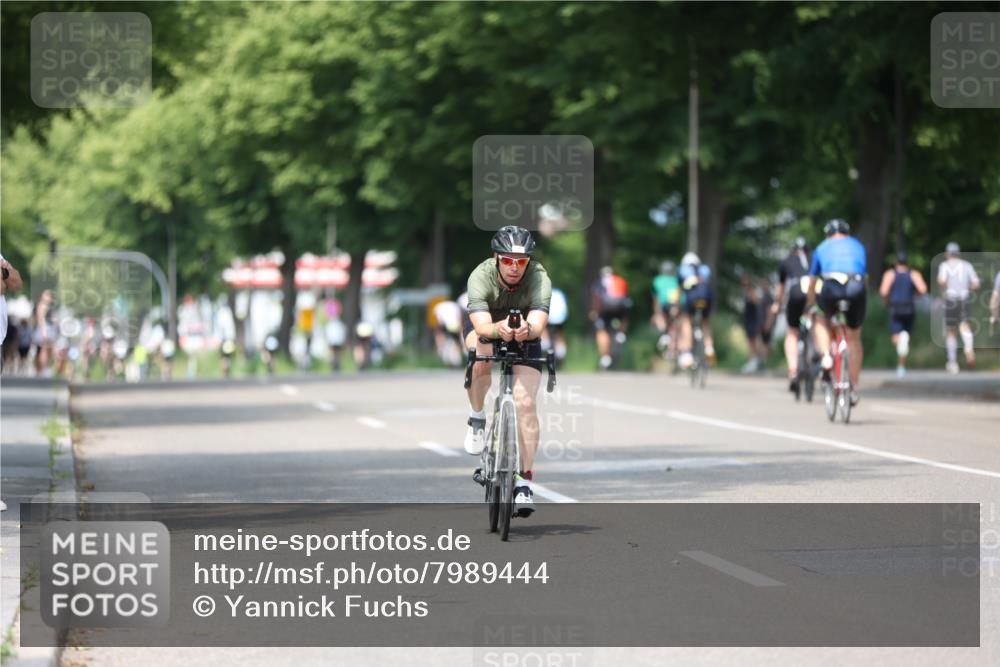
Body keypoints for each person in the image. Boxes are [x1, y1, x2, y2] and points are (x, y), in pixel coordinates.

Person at [463, 226, 551, 518]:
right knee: (481, 358)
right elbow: (480, 326)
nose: (515, 267)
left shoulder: (539, 277)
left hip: (524, 335)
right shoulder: (480, 275)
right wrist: (497, 330)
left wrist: (527, 330)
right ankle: (477, 417)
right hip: (488, 327)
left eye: (521, 261)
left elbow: (538, 324)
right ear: (496, 258)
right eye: (508, 260)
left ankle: (524, 479)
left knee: (526, 403)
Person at [807, 219, 867, 406]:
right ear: (847, 233)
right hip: (856, 286)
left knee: (819, 319)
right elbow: (865, 278)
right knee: (854, 338)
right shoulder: (858, 245)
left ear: (828, 234)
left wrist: (810, 305)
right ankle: (854, 388)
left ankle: (826, 357)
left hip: (831, 287)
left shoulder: (822, 247)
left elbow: (811, 281)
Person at [771, 237, 813, 393]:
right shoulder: (813, 259)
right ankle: (817, 354)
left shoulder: (786, 261)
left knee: (792, 332)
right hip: (812, 291)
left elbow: (780, 288)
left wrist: (776, 304)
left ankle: (793, 371)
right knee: (816, 325)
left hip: (795, 292)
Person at [879, 250, 928, 377]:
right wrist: (914, 295)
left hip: (895, 308)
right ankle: (901, 365)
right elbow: (923, 289)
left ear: (896, 262)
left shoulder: (890, 274)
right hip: (909, 308)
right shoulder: (913, 274)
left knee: (895, 338)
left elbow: (883, 291)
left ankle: (901, 351)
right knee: (905, 336)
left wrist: (887, 302)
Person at [937, 242, 980, 373]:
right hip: (964, 298)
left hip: (950, 299)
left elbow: (941, 281)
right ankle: (968, 348)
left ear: (947, 253)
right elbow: (976, 283)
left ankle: (952, 362)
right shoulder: (966, 265)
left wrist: (943, 291)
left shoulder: (944, 265)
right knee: (965, 326)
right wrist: (967, 287)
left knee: (951, 331)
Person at [677, 252, 715, 369]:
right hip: (707, 298)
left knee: (687, 320)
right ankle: (709, 348)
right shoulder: (704, 270)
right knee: (705, 322)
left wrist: (676, 305)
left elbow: (680, 290)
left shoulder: (682, 270)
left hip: (692, 299)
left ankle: (688, 352)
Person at [590, 266, 630, 369]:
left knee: (601, 331)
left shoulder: (599, 283)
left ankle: (605, 357)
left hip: (605, 309)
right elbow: (625, 296)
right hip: (620, 307)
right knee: (624, 317)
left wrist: (595, 311)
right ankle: (621, 334)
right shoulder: (621, 280)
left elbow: (597, 298)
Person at [651, 261, 682, 362]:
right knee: (675, 326)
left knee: (660, 317)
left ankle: (663, 334)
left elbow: (656, 298)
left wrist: (656, 313)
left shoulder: (657, 280)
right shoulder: (677, 280)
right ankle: (672, 349)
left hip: (664, 304)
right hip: (676, 304)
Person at [541, 287, 568, 364]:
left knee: (543, 328)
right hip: (561, 317)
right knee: (560, 334)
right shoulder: (560, 293)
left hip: (549, 316)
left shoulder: (544, 293)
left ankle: (545, 346)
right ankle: (561, 354)